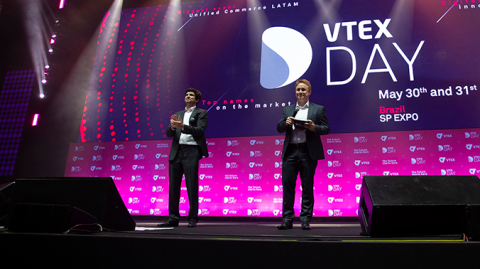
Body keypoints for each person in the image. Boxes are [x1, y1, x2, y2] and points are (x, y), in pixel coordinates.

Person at [276, 79, 330, 230]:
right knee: (287, 186)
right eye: (298, 90)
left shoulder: (318, 109)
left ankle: (305, 219)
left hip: (308, 152)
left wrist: (314, 127)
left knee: (307, 186)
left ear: (309, 92)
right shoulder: (287, 110)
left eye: (303, 90)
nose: (300, 92)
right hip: (290, 152)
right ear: (295, 92)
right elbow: (279, 128)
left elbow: (326, 128)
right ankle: (287, 219)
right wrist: (285, 123)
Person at [157, 88, 208, 228]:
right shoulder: (178, 114)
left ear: (196, 99)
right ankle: (173, 218)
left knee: (191, 185)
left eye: (191, 95)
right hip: (176, 152)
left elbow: (199, 131)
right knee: (173, 187)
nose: (188, 96)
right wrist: (173, 127)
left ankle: (192, 218)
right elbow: (168, 133)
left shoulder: (201, 113)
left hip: (192, 151)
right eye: (186, 95)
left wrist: (182, 126)